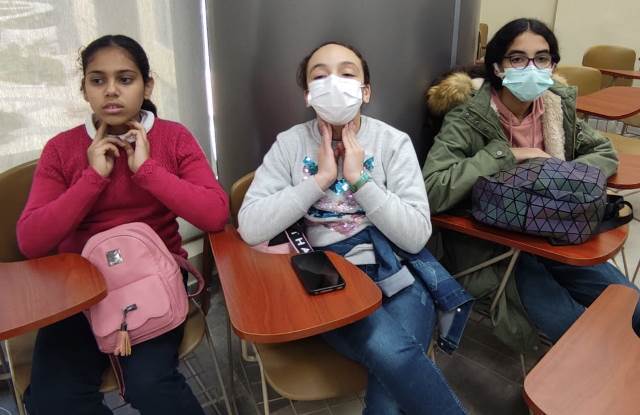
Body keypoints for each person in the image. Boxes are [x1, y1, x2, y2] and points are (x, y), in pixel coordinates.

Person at [238, 41, 469, 415]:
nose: (333, 82)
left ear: (365, 91)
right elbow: (250, 226)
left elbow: (415, 236)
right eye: (320, 76)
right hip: (330, 278)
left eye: (346, 74)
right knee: (394, 354)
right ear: (308, 95)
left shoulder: (392, 142)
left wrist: (361, 180)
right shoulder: (290, 144)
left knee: (391, 386)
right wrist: (320, 179)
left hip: (397, 267)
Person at [16, 35, 229, 415]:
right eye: (98, 80)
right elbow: (31, 240)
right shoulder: (61, 149)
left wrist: (147, 170)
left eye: (125, 79)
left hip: (154, 279)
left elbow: (214, 214)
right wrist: (92, 179)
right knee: (53, 400)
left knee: (151, 386)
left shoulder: (173, 137)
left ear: (147, 86)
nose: (111, 90)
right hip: (78, 292)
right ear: (84, 89)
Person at [423, 18, 640, 351]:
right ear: (497, 67)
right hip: (497, 247)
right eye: (517, 58)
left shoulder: (553, 106)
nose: (531, 68)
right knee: (573, 331)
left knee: (632, 305)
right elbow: (433, 189)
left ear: (553, 65)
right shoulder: (468, 116)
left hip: (555, 230)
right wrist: (505, 155)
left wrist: (556, 178)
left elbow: (603, 151)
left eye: (541, 58)